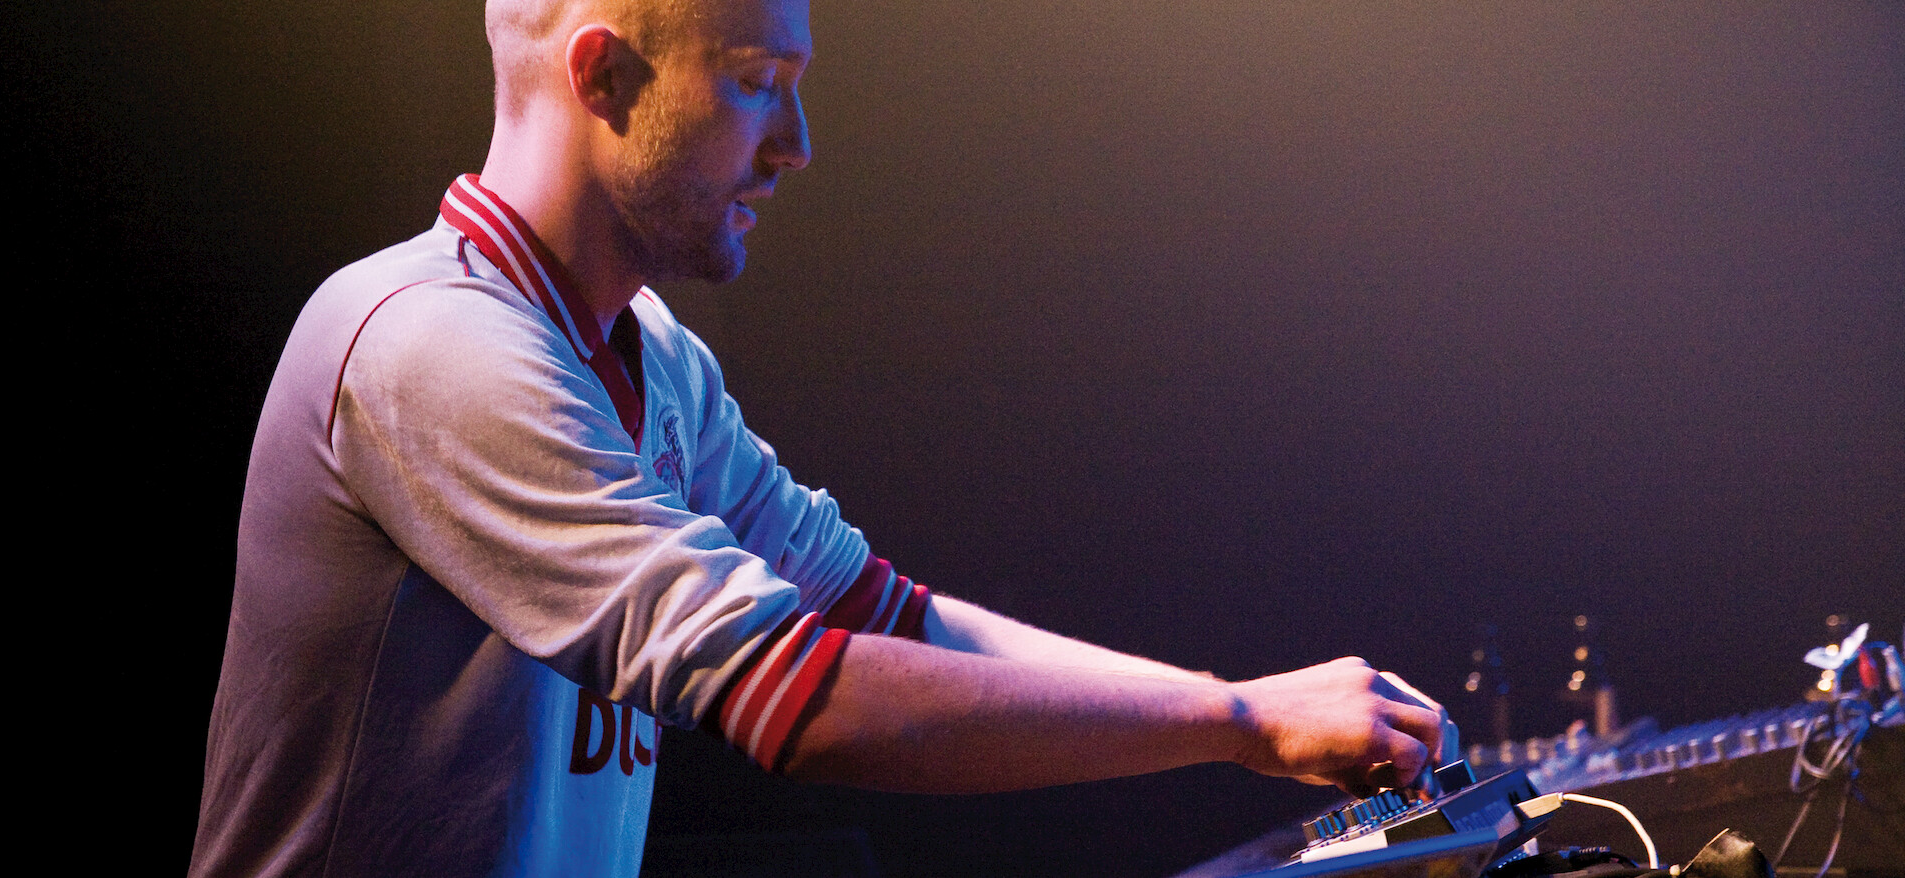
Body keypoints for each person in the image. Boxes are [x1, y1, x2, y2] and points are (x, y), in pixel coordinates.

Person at [190, 0, 1454, 875]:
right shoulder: (425, 341)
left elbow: (879, 615)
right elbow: (802, 694)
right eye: (757, 82)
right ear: (602, 76)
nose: (798, 147)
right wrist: (1236, 720)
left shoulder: (655, 355)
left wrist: (1243, 710)